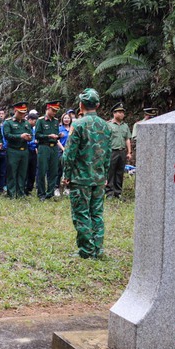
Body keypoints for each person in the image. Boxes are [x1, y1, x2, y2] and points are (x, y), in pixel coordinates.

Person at [62, 88, 112, 259]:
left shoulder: (78, 125)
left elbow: (69, 154)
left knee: (81, 213)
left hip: (80, 178)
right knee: (96, 213)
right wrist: (105, 175)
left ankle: (86, 251)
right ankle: (97, 249)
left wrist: (66, 174)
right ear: (97, 105)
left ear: (81, 105)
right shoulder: (106, 126)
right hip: (98, 178)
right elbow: (108, 154)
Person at [3, 102, 31, 198]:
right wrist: (20, 136)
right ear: (15, 111)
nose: (23, 114)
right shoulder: (8, 122)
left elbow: (30, 134)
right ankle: (11, 193)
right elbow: (7, 135)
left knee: (22, 173)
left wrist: (29, 137)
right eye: (20, 112)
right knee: (12, 172)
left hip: (24, 150)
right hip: (13, 150)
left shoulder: (26, 123)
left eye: (24, 112)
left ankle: (20, 193)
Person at [35, 101, 62, 200]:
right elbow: (37, 135)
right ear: (48, 108)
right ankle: (41, 193)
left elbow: (56, 134)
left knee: (54, 171)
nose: (55, 112)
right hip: (44, 147)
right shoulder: (41, 120)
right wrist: (48, 136)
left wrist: (59, 136)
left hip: (54, 147)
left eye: (56, 111)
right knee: (42, 170)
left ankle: (50, 193)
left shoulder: (56, 121)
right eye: (53, 110)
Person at [106, 102, 131, 199]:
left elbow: (127, 139)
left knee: (120, 172)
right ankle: (109, 193)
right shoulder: (109, 125)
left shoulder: (125, 126)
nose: (121, 114)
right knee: (110, 172)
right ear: (114, 113)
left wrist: (129, 152)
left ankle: (118, 192)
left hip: (122, 151)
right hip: (112, 151)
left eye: (123, 112)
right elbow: (105, 139)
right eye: (119, 112)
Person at [25, 110, 39, 197]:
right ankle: (24, 189)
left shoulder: (34, 129)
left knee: (32, 171)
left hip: (34, 151)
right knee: (25, 171)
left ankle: (29, 189)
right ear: (30, 120)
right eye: (34, 121)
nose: (35, 123)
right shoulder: (25, 127)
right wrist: (33, 142)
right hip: (26, 151)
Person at [57, 112, 72, 195]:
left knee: (68, 169)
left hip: (71, 152)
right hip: (60, 151)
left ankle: (67, 187)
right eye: (65, 118)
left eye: (68, 118)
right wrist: (63, 149)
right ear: (62, 119)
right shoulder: (59, 128)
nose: (66, 120)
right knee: (59, 169)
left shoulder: (72, 128)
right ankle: (56, 188)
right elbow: (57, 140)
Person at [0, 107, 8, 193]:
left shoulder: (6, 125)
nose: (1, 115)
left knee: (3, 170)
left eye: (2, 114)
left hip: (4, 150)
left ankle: (1, 187)